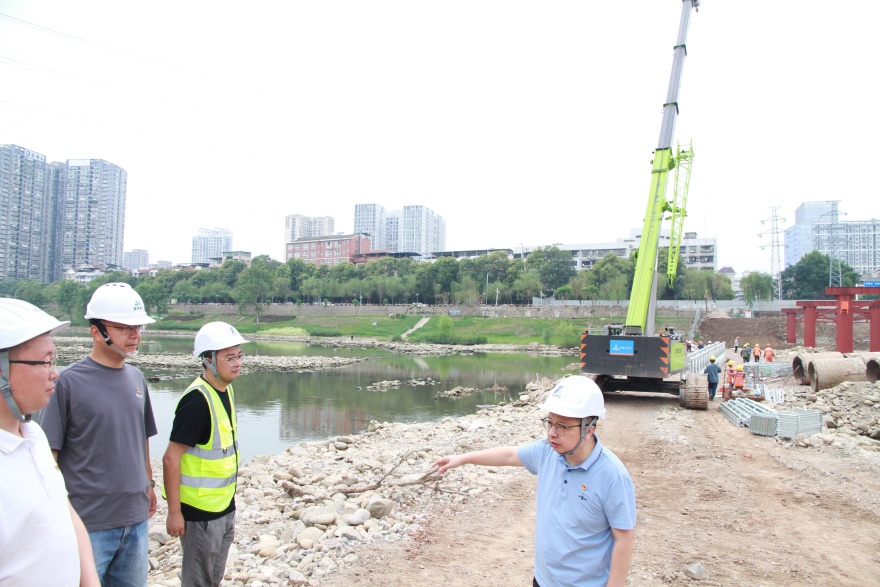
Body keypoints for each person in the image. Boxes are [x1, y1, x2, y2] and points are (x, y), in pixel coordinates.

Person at [433, 375, 636, 587]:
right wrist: (463, 459)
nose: (552, 433)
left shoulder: (613, 476)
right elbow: (510, 455)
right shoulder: (547, 453)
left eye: (562, 426)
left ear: (588, 430)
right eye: (549, 423)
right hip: (543, 580)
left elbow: (624, 538)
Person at [40, 283, 158, 585]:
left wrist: (149, 484)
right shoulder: (65, 383)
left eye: (138, 327)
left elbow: (141, 436)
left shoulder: (136, 378)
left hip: (135, 519)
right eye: (125, 328)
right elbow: (47, 456)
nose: (135, 335)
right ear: (96, 331)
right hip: (88, 522)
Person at [0, 299, 99, 586]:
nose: (54, 372)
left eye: (53, 361)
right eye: (44, 362)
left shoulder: (33, 434)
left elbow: (63, 510)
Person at [163, 322, 250, 587]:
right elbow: (170, 458)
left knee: (213, 578)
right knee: (198, 581)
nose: (237, 363)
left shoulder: (225, 390)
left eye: (239, 356)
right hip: (200, 513)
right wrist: (174, 512)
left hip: (224, 507)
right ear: (208, 360)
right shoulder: (196, 402)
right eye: (230, 358)